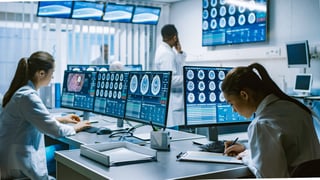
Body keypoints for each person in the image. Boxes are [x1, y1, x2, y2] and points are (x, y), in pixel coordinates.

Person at [0, 51, 91, 179]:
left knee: (63, 148)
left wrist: (61, 119)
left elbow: (32, 118)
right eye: (52, 73)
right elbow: (56, 130)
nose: (52, 77)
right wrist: (76, 127)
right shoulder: (28, 97)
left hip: (13, 157)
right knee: (68, 152)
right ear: (41, 73)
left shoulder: (21, 92)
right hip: (17, 166)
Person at [221, 63, 320, 178]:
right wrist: (248, 150)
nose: (233, 110)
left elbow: (269, 176)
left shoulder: (262, 124)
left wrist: (247, 158)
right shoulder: (295, 108)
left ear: (244, 95)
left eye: (231, 103)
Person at [154, 24, 186, 128]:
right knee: (174, 135)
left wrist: (180, 52)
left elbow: (177, 67)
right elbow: (169, 80)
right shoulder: (167, 54)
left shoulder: (165, 51)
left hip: (172, 102)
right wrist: (188, 78)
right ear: (175, 37)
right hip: (173, 103)